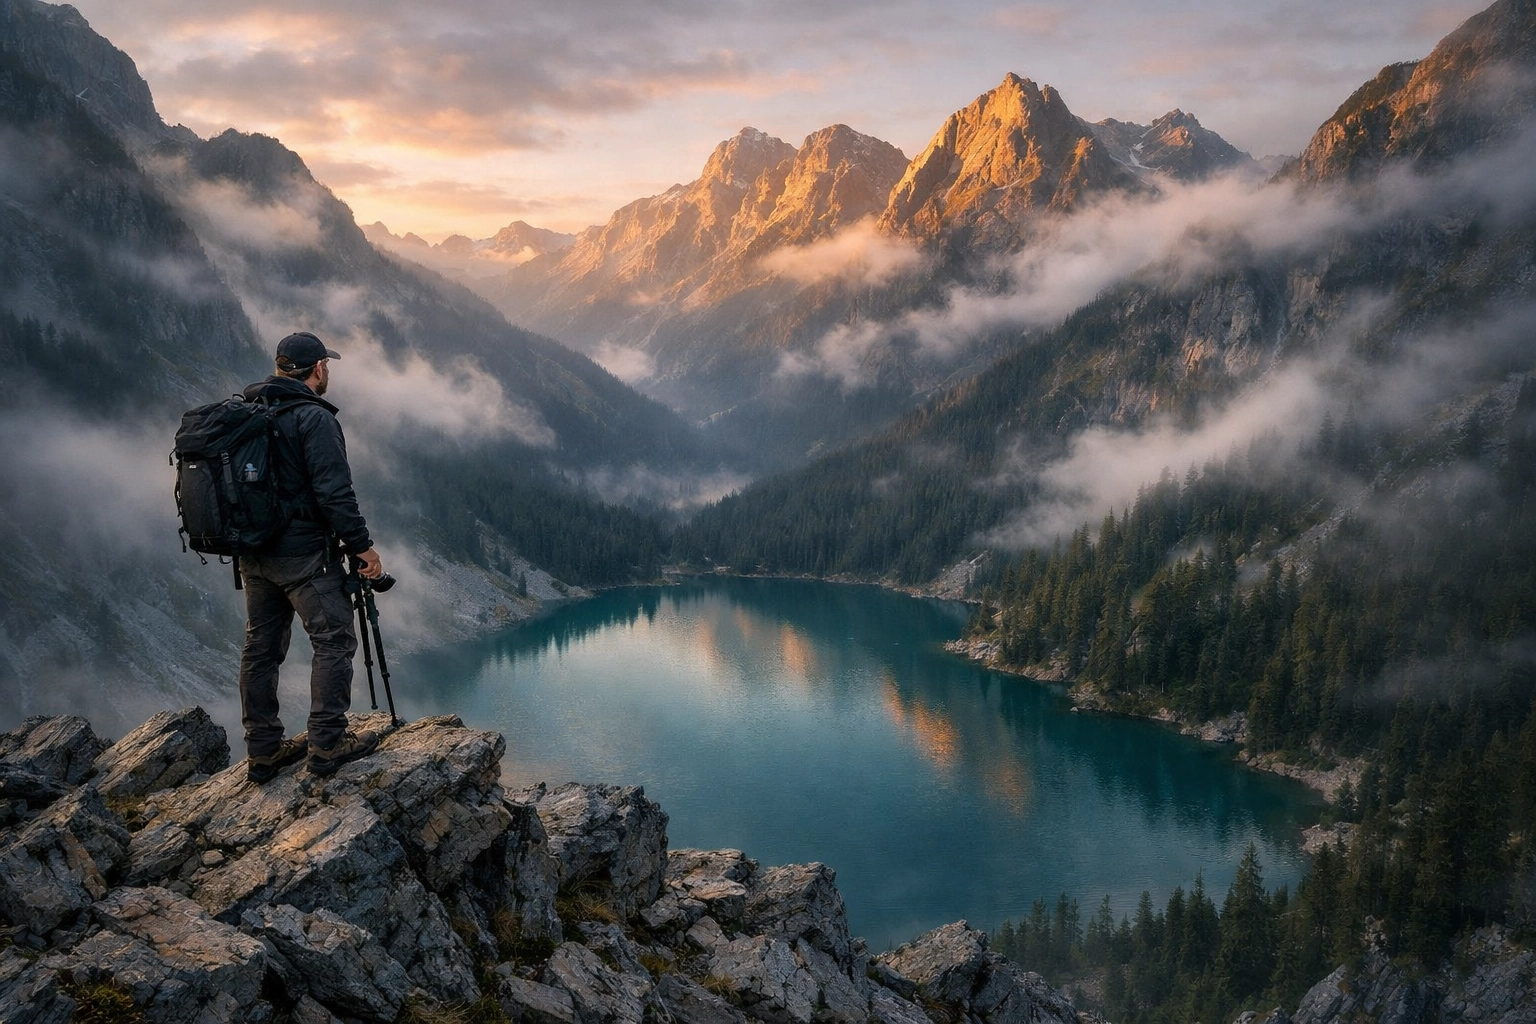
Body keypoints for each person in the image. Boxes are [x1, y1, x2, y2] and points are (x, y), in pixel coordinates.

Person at [237, 331, 387, 783]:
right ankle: (326, 744)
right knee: (333, 641)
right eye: (328, 365)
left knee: (261, 649)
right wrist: (363, 549)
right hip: (304, 556)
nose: (329, 372)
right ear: (318, 368)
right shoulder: (313, 418)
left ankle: (262, 751)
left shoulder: (250, 411)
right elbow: (335, 494)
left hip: (253, 553)